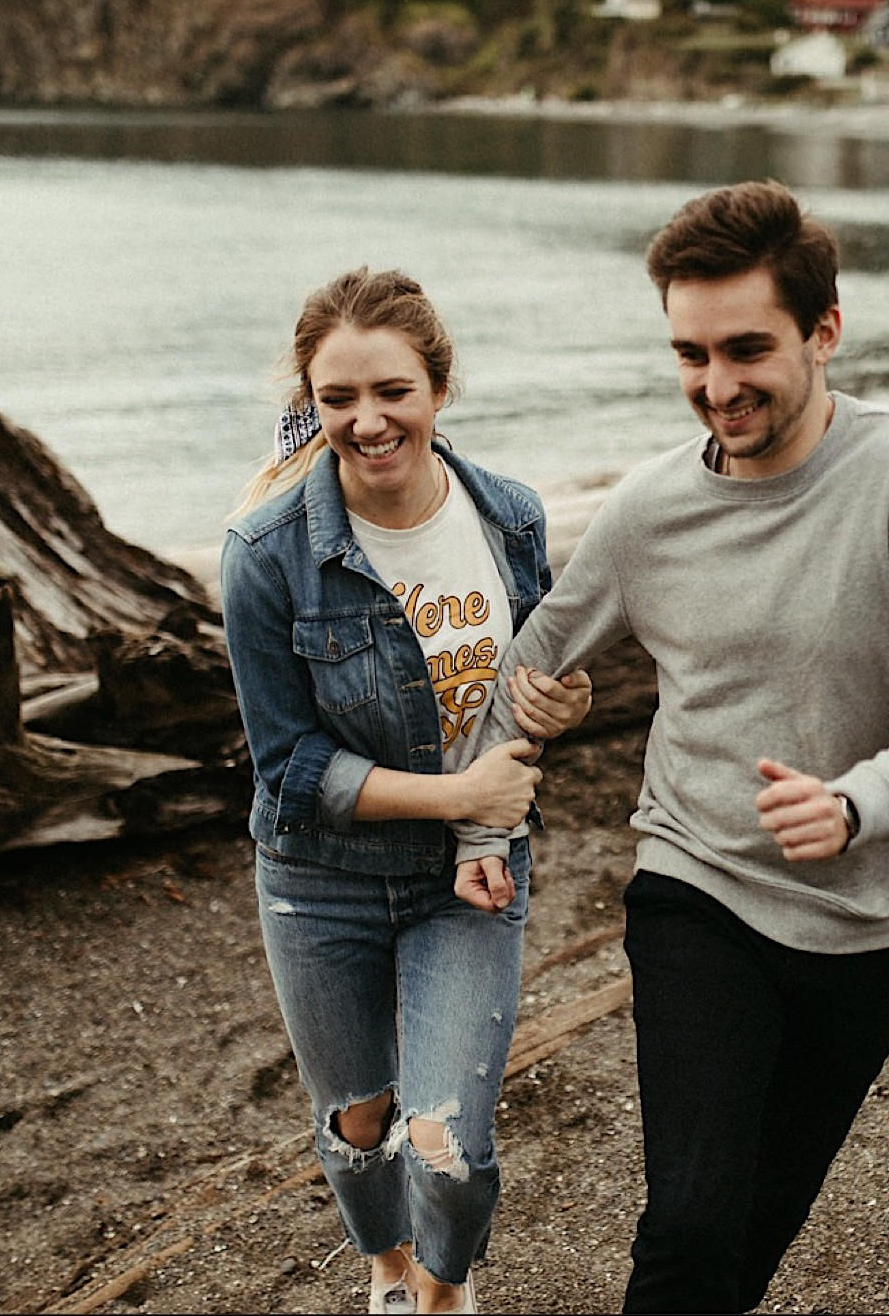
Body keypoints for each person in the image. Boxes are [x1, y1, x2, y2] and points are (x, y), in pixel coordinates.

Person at [453, 180, 889, 1312]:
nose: (715, 388)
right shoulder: (647, 513)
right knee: (690, 1221)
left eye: (746, 350)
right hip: (697, 885)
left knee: (752, 1234)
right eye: (688, 354)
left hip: (871, 922)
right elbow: (525, 669)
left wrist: (860, 803)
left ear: (824, 331)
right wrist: (483, 817)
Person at [220, 267, 592, 1315]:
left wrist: (557, 715)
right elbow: (288, 771)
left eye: (391, 391)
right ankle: (384, 1274)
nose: (367, 421)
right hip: (317, 881)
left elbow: (522, 692)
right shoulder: (263, 553)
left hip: (466, 874)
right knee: (357, 1120)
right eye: (338, 399)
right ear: (311, 401)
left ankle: (439, 1292)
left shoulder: (508, 518)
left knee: (448, 1149)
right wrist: (456, 795)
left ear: (438, 385)